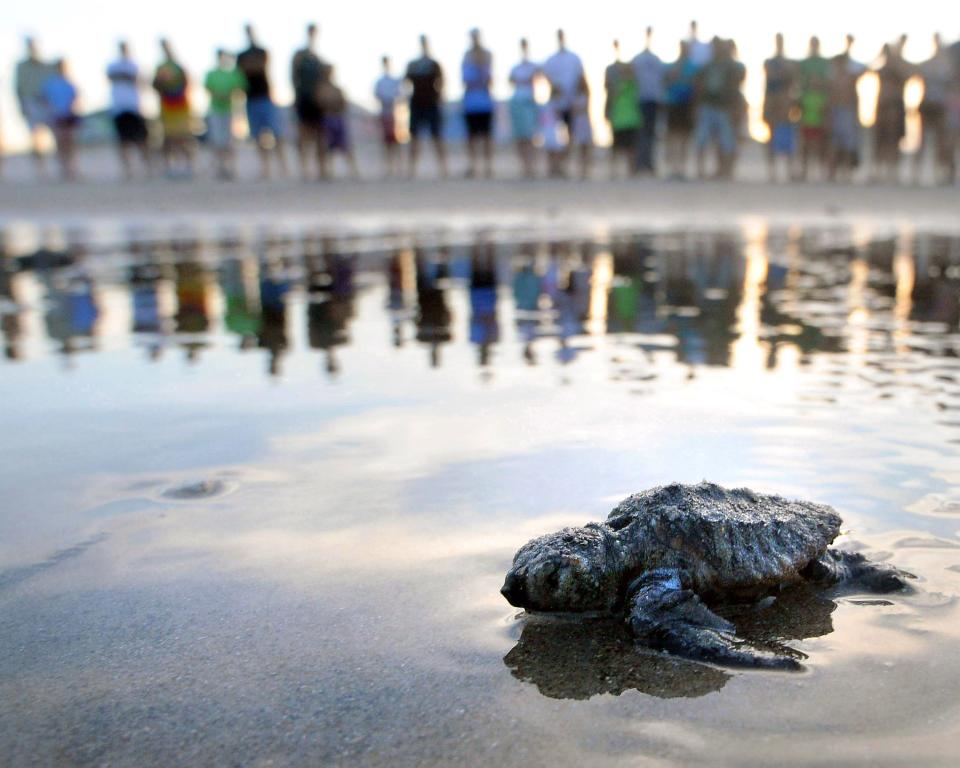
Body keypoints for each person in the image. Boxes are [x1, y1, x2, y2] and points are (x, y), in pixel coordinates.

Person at [237, 24, 288, 179]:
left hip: (265, 97)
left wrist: (250, 67)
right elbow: (244, 71)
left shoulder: (261, 51)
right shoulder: (242, 55)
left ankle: (283, 167)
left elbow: (258, 67)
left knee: (276, 133)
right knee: (258, 135)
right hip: (251, 98)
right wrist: (252, 67)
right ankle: (265, 168)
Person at [693, 38, 739, 179]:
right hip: (708, 106)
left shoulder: (730, 67)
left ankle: (726, 171)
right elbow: (698, 86)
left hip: (723, 108)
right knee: (702, 139)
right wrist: (696, 105)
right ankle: (701, 171)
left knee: (726, 141)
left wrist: (734, 107)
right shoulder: (706, 66)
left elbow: (734, 87)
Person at [291, 23, 330, 180]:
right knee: (304, 135)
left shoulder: (317, 58)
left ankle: (322, 169)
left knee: (320, 135)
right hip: (304, 99)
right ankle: (305, 169)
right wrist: (297, 96)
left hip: (318, 101)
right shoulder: (300, 55)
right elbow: (293, 76)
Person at [914, 34, 955, 185]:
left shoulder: (948, 65)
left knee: (942, 140)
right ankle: (917, 172)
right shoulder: (928, 64)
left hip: (941, 105)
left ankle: (942, 172)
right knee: (923, 138)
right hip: (928, 104)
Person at [405, 34, 448, 178]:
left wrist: (439, 97)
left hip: (431, 103)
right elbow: (406, 83)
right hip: (417, 103)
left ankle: (443, 168)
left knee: (436, 136)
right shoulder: (413, 64)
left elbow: (441, 81)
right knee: (415, 137)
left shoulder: (434, 64)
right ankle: (412, 170)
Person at [542, 29, 584, 174]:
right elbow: (547, 78)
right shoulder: (550, 59)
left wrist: (575, 100)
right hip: (555, 103)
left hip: (570, 102)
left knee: (570, 135)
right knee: (551, 136)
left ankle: (563, 164)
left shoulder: (574, 58)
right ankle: (553, 166)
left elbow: (579, 78)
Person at [107, 41, 151, 180]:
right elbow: (110, 78)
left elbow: (142, 82)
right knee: (123, 141)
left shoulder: (135, 65)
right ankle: (127, 171)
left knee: (141, 139)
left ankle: (147, 168)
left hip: (134, 107)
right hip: (119, 108)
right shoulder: (112, 65)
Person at [152, 39, 195, 178]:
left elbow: (187, 83)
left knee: (183, 137)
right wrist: (162, 84)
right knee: (168, 138)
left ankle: (188, 166)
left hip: (180, 106)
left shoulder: (178, 67)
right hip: (166, 106)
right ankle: (170, 167)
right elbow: (155, 85)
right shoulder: (160, 67)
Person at [827, 35, 866, 182]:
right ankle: (832, 173)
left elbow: (865, 70)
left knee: (849, 144)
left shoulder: (852, 75)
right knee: (835, 144)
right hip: (837, 111)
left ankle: (847, 174)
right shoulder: (835, 78)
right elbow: (831, 96)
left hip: (848, 111)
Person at [15, 37, 55, 177]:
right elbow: (18, 87)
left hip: (46, 102)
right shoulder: (21, 66)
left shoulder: (45, 65)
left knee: (56, 133)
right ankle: (41, 170)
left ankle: (65, 166)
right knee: (35, 137)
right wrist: (21, 105)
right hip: (30, 101)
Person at [872, 42, 911, 183]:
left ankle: (893, 171)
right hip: (882, 106)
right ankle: (879, 170)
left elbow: (908, 76)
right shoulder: (881, 69)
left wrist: (895, 63)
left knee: (894, 139)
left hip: (895, 105)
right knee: (880, 139)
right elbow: (870, 69)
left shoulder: (899, 68)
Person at [204, 48, 246, 180]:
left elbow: (240, 88)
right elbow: (208, 88)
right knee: (217, 140)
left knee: (229, 140)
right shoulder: (211, 74)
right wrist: (219, 95)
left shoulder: (234, 74)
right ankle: (220, 167)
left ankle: (231, 168)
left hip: (229, 110)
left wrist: (229, 95)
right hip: (215, 109)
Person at [762, 33, 798, 182]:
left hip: (784, 101)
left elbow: (791, 80)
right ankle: (772, 171)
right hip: (772, 100)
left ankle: (789, 171)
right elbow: (769, 79)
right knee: (771, 135)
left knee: (787, 134)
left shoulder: (789, 63)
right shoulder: (769, 62)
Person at [605, 40, 641, 179]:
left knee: (631, 147)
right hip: (618, 118)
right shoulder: (616, 86)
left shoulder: (633, 85)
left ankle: (630, 171)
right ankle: (613, 171)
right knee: (617, 146)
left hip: (631, 119)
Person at [462, 28, 495, 178]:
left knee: (486, 136)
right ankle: (473, 165)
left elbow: (489, 80)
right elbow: (465, 81)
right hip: (470, 103)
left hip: (485, 102)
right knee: (471, 136)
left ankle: (488, 166)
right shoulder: (466, 56)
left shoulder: (487, 55)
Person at [663, 40, 698, 179]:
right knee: (672, 136)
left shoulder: (693, 67)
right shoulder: (672, 66)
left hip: (687, 105)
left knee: (684, 136)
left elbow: (696, 87)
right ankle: (673, 167)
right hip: (673, 104)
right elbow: (666, 82)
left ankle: (682, 167)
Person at [631, 26, 664, 175]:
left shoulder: (654, 59)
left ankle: (648, 164)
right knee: (641, 133)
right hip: (640, 100)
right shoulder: (639, 60)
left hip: (652, 100)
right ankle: (640, 164)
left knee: (649, 133)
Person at [798, 36, 830, 181]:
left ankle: (821, 172)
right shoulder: (804, 64)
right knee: (804, 145)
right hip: (806, 118)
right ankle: (804, 171)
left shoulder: (824, 64)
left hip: (820, 118)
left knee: (820, 146)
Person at [42, 58, 80, 181]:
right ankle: (63, 169)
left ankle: (72, 168)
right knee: (60, 142)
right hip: (56, 116)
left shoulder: (69, 82)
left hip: (68, 115)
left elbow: (75, 98)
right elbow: (45, 99)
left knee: (70, 142)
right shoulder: (50, 84)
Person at [318, 66, 359, 179]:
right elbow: (321, 103)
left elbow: (342, 103)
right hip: (328, 118)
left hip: (338, 117)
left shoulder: (336, 89)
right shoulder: (322, 89)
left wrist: (333, 104)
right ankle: (327, 172)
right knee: (328, 146)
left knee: (345, 145)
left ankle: (353, 171)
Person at [508, 38, 540, 179]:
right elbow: (511, 80)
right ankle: (524, 166)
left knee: (530, 135)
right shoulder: (515, 67)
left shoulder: (533, 66)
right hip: (517, 103)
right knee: (520, 136)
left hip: (528, 102)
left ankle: (531, 165)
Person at [374, 56, 403, 177]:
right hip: (384, 113)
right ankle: (387, 167)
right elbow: (377, 94)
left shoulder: (395, 81)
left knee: (396, 140)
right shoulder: (380, 81)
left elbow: (400, 94)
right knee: (386, 141)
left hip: (395, 114)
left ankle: (399, 167)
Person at [570, 74, 593, 180]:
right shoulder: (575, 95)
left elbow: (583, 109)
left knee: (585, 147)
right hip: (578, 122)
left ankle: (586, 170)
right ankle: (580, 170)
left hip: (584, 122)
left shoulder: (586, 95)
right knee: (579, 147)